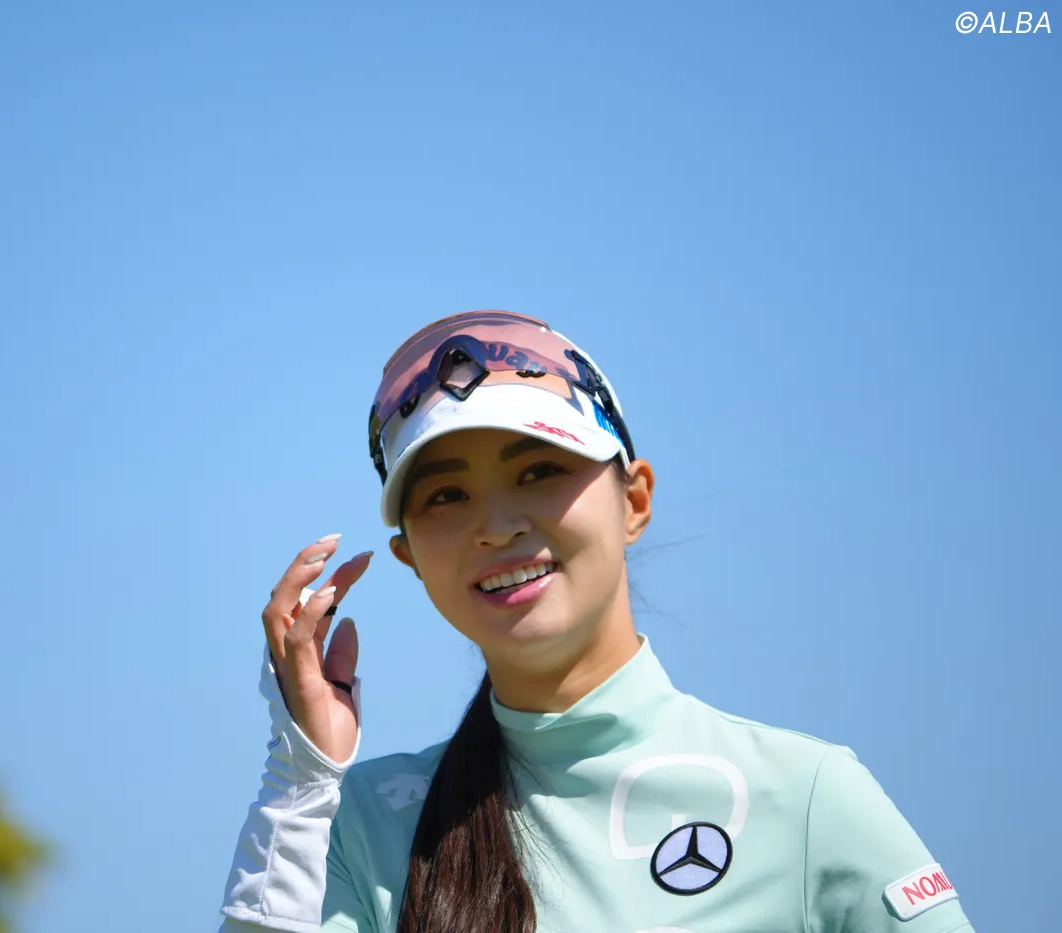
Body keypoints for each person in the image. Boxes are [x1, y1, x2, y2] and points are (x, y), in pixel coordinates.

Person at [219, 311, 973, 933]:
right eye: (446, 496)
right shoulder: (361, 824)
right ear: (409, 557)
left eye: (540, 470)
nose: (497, 526)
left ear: (634, 500)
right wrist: (300, 783)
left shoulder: (805, 797)